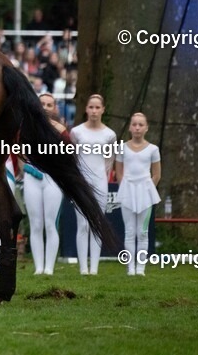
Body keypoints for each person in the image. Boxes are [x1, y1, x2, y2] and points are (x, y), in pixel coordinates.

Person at [70, 93, 117, 275]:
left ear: (103, 110)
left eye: (98, 107)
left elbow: (109, 161)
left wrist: (103, 177)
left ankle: (94, 269)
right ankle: (83, 268)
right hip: (82, 182)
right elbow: (72, 158)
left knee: (97, 223)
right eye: (91, 107)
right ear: (86, 109)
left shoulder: (109, 134)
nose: (94, 111)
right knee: (82, 224)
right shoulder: (77, 132)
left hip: (100, 182)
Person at [22, 93, 68, 275]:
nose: (46, 107)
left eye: (50, 104)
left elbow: (68, 156)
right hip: (32, 176)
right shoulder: (26, 127)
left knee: (50, 223)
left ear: (54, 108)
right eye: (43, 104)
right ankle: (38, 266)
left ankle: (49, 267)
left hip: (52, 179)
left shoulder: (61, 130)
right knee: (35, 224)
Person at [115, 112, 161, 276]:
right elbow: (119, 171)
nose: (137, 128)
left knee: (142, 232)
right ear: (130, 127)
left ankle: (140, 268)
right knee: (129, 231)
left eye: (141, 125)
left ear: (146, 128)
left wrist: (148, 190)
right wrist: (125, 187)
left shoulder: (153, 149)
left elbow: (156, 174)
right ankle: (130, 267)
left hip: (145, 193)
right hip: (128, 191)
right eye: (134, 124)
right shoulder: (122, 148)